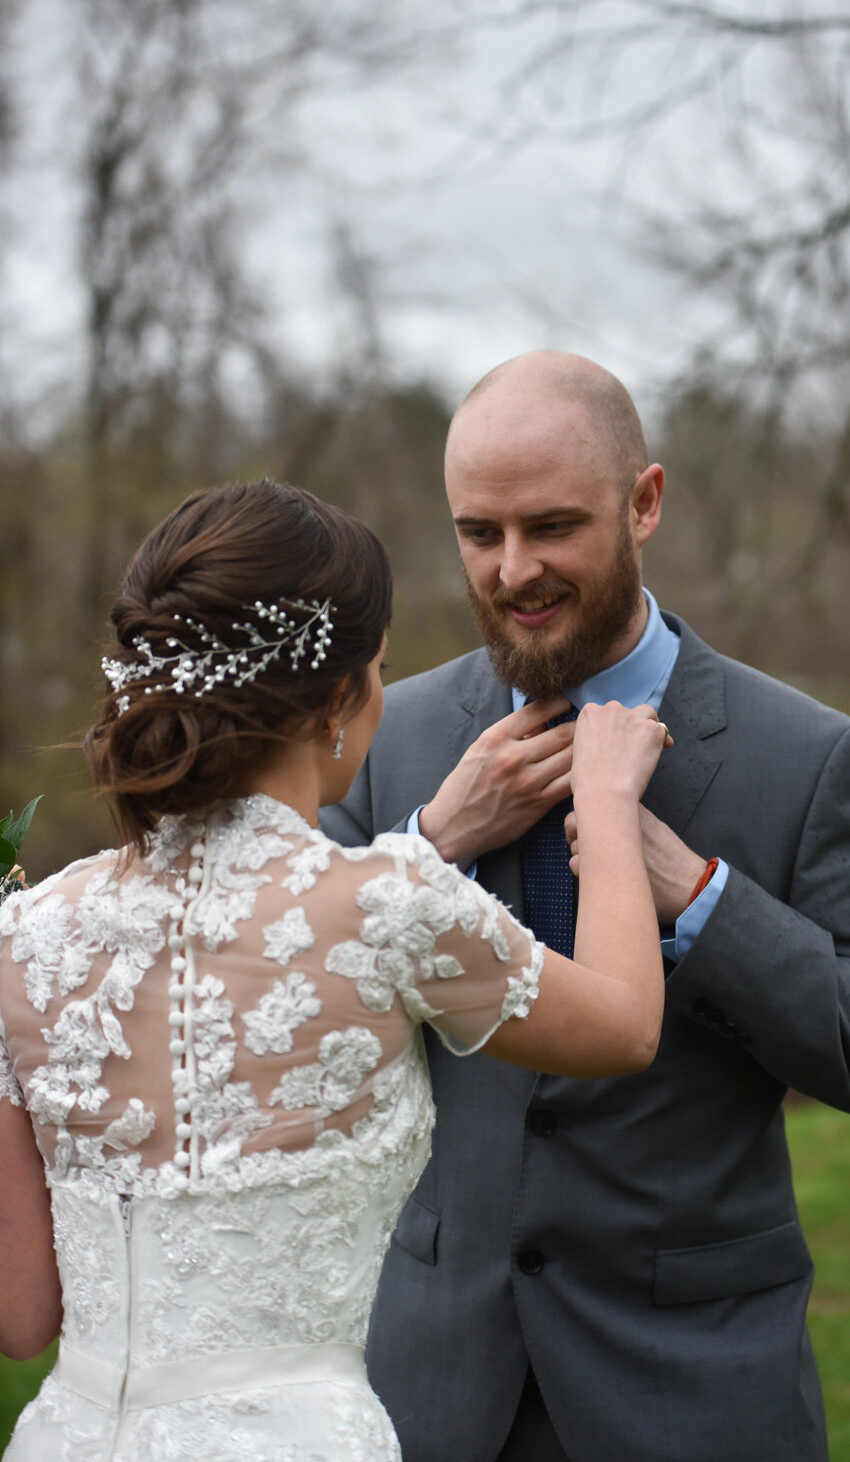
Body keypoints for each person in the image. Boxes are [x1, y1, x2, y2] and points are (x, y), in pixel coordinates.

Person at [321, 350, 850, 1462]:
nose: (512, 570)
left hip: (691, 1392)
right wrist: (426, 845)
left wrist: (702, 898)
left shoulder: (801, 757)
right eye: (478, 533)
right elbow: (282, 1007)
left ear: (644, 503)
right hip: (433, 1392)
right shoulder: (393, 741)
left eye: (551, 527)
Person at [0, 479, 671, 1462]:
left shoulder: (24, 938)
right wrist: (605, 802)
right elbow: (622, 1025)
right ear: (339, 698)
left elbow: (21, 1317)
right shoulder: (389, 906)